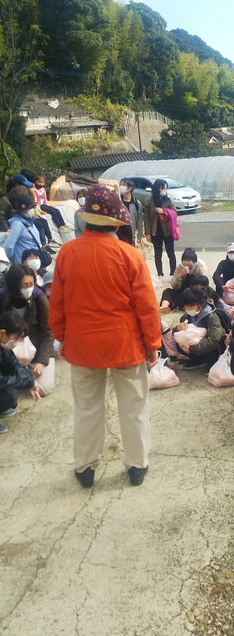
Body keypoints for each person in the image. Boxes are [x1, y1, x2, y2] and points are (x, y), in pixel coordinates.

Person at [49, 184, 161, 489]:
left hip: (82, 345)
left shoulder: (67, 253)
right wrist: (152, 344)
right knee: (134, 407)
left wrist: (60, 337)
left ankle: (85, 468)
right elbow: (147, 307)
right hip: (125, 344)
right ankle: (137, 466)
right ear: (116, 221)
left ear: (86, 218)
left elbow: (56, 302)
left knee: (86, 408)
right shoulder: (129, 255)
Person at [0, 264, 54, 380]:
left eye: (31, 284)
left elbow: (48, 332)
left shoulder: (39, 298)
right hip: (8, 344)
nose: (29, 288)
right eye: (24, 285)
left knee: (44, 386)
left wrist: (41, 361)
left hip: (34, 345)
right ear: (13, 285)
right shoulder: (3, 297)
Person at [0, 311, 46, 430]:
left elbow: (14, 365)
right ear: (3, 333)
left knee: (11, 396)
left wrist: (30, 381)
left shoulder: (3, 347)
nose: (15, 342)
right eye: (15, 338)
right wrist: (26, 382)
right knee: (9, 394)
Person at [173, 287, 224, 370]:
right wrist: (177, 329)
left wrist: (192, 349)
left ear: (201, 305)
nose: (188, 309)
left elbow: (214, 339)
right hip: (195, 346)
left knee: (214, 351)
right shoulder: (187, 316)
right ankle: (198, 360)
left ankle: (207, 361)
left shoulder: (211, 317)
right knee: (178, 342)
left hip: (212, 347)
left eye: (191, 306)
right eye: (186, 306)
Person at [143, 178, 177, 282]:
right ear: (157, 188)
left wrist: (164, 211)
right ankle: (160, 274)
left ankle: (172, 273)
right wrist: (147, 233)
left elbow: (174, 213)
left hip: (168, 230)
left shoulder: (168, 200)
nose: (164, 190)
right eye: (163, 188)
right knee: (158, 253)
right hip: (155, 231)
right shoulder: (149, 201)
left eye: (166, 188)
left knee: (170, 252)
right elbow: (146, 218)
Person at [159, 248, 208, 313]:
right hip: (182, 290)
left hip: (194, 292)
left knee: (186, 300)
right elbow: (174, 286)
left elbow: (205, 283)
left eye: (188, 260)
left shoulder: (200, 266)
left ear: (194, 261)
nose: (186, 263)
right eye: (184, 260)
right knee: (167, 291)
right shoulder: (180, 267)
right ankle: (164, 307)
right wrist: (180, 275)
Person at [4, 195, 42, 264]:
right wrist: (17, 259)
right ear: (21, 210)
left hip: (34, 261)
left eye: (32, 207)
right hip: (24, 264)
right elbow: (8, 247)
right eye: (29, 208)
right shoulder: (17, 224)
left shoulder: (30, 222)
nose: (32, 210)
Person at [117, 178, 143, 247]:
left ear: (130, 188)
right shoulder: (117, 201)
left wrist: (140, 234)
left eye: (123, 185)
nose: (121, 187)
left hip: (130, 235)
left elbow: (139, 220)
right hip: (118, 234)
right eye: (121, 184)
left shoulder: (136, 203)